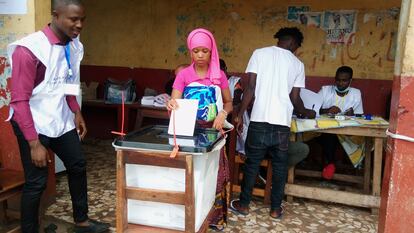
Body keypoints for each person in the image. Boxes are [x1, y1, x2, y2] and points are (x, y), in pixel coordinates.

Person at [7, 0, 109, 232]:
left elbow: (68, 82)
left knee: (78, 164)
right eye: (73, 19)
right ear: (56, 15)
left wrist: (76, 111)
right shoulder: (29, 50)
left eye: (82, 19)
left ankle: (81, 220)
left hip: (59, 118)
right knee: (37, 182)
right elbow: (19, 101)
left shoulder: (72, 45)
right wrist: (34, 143)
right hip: (31, 122)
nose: (79, 25)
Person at [229, 27, 315, 219]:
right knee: (280, 167)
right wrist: (306, 112)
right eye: (297, 47)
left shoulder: (259, 54)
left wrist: (240, 115)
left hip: (259, 120)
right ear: (293, 43)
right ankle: (276, 209)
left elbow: (250, 88)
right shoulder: (298, 64)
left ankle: (243, 205)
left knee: (252, 164)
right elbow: (295, 99)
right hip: (281, 125)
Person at [166, 28, 233, 231]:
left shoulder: (219, 75)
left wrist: (223, 114)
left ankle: (213, 218)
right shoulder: (184, 75)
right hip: (190, 133)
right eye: (196, 51)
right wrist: (170, 104)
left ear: (211, 51)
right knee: (193, 174)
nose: (201, 55)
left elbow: (229, 102)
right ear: (190, 52)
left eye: (205, 50)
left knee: (215, 175)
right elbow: (174, 101)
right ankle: (189, 216)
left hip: (213, 132)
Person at [318, 66, 363, 179]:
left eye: (344, 80)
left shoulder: (356, 93)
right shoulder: (325, 90)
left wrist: (353, 114)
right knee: (330, 135)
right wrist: (326, 110)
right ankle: (330, 164)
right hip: (324, 131)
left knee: (359, 138)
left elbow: (359, 116)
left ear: (350, 81)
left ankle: (333, 164)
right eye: (338, 80)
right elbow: (312, 108)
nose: (340, 83)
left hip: (347, 132)